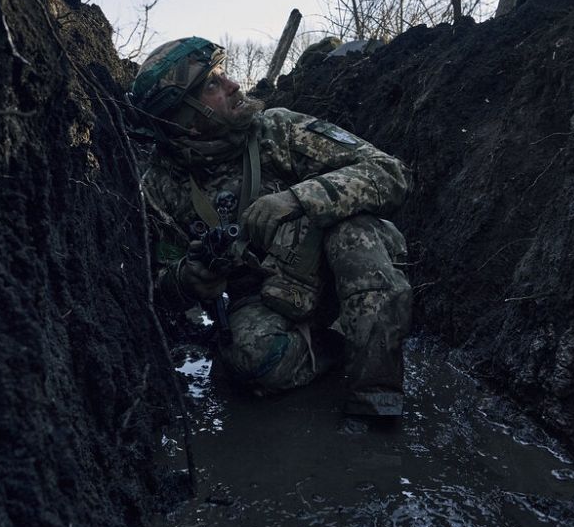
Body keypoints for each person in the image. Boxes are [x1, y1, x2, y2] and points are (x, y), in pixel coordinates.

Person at [130, 37, 412, 418]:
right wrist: (188, 278)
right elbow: (156, 282)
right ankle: (342, 343)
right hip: (267, 298)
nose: (232, 85)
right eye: (211, 84)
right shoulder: (160, 187)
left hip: (338, 268)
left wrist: (298, 198)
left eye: (222, 74)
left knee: (354, 237)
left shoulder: (277, 131)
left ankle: (377, 398)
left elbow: (389, 172)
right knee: (248, 360)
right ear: (186, 121)